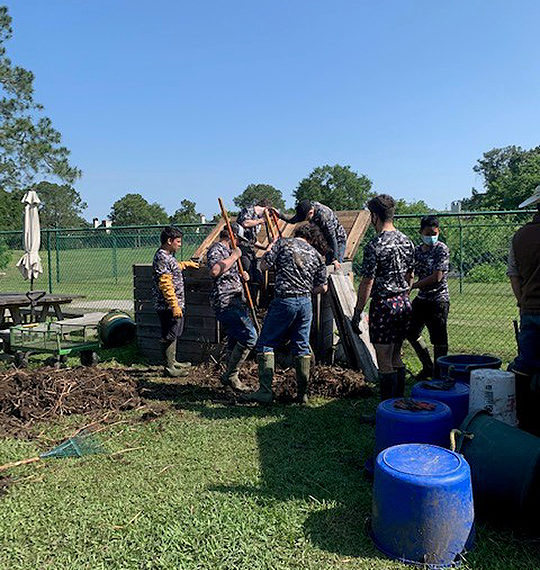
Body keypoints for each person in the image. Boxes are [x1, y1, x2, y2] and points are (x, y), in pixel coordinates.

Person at [242, 224, 328, 404]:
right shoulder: (317, 255)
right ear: (310, 238)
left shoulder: (283, 244)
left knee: (265, 343)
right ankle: (302, 395)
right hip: (305, 303)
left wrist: (270, 250)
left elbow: (264, 266)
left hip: (284, 300)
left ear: (297, 233)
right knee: (302, 345)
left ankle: (265, 392)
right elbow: (323, 287)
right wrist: (306, 290)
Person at [352, 194, 414, 400]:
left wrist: (358, 312)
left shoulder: (375, 245)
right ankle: (400, 405)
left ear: (375, 216)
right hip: (404, 303)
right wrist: (403, 294)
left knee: (384, 359)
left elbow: (367, 281)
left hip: (384, 306)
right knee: (397, 357)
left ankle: (387, 410)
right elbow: (410, 276)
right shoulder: (407, 242)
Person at [207, 224, 258, 392]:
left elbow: (227, 273)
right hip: (226, 301)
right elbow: (215, 271)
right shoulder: (217, 249)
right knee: (250, 337)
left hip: (236, 300)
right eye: (238, 240)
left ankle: (229, 376)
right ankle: (231, 375)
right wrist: (234, 257)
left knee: (235, 339)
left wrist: (242, 276)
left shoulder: (228, 253)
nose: (239, 244)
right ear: (232, 236)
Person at [507, 185, 540, 434]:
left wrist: (523, 300)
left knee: (525, 363)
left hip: (530, 308)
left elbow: (514, 276)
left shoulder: (520, 236)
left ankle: (523, 418)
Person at [407, 216, 451, 380]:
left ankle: (440, 374)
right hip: (422, 299)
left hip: (438, 299)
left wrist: (414, 286)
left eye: (434, 233)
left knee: (439, 340)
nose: (431, 236)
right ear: (421, 232)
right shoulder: (417, 251)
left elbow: (437, 276)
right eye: (428, 233)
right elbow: (410, 272)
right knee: (411, 332)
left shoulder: (441, 249)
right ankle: (428, 367)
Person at [152, 226, 197, 377]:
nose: (180, 244)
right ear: (169, 241)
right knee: (170, 333)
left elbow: (171, 269)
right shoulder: (162, 257)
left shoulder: (166, 257)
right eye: (178, 241)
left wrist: (184, 265)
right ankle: (170, 367)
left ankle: (173, 361)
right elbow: (165, 282)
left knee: (172, 332)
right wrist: (174, 305)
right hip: (167, 305)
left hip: (171, 304)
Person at [277, 199, 347, 270]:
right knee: (327, 264)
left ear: (310, 212)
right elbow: (292, 220)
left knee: (336, 265)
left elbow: (332, 238)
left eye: (306, 218)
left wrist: (335, 259)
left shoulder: (324, 215)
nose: (306, 220)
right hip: (325, 239)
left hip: (338, 239)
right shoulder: (307, 209)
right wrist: (279, 214)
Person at [236, 199, 272, 297]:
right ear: (266, 209)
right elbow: (245, 223)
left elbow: (252, 240)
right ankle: (246, 300)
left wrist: (265, 247)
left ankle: (255, 300)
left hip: (250, 249)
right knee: (248, 273)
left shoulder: (257, 219)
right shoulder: (248, 210)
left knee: (257, 275)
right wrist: (261, 220)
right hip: (241, 248)